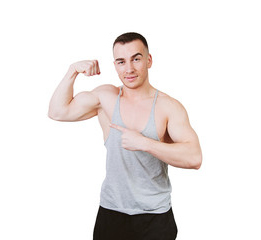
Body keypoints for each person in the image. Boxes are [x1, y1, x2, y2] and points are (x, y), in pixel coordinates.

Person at [48, 32, 202, 240]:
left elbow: (194, 158)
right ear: (115, 65)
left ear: (148, 60)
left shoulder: (168, 107)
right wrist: (72, 72)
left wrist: (145, 143)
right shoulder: (106, 97)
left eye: (136, 59)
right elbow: (57, 112)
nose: (129, 69)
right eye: (121, 62)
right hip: (111, 213)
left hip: (155, 216)